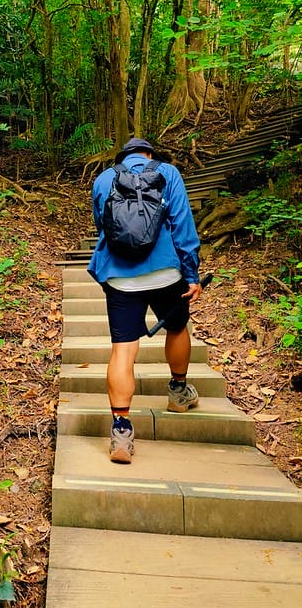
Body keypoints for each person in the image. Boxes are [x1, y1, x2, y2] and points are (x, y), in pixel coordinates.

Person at [87, 138, 202, 464]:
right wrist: (191, 273)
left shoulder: (104, 178)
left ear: (123, 157)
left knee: (123, 349)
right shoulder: (168, 173)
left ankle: (121, 430)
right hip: (165, 272)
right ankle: (178, 392)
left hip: (120, 276)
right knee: (177, 328)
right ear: (148, 154)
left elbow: (102, 224)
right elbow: (182, 224)